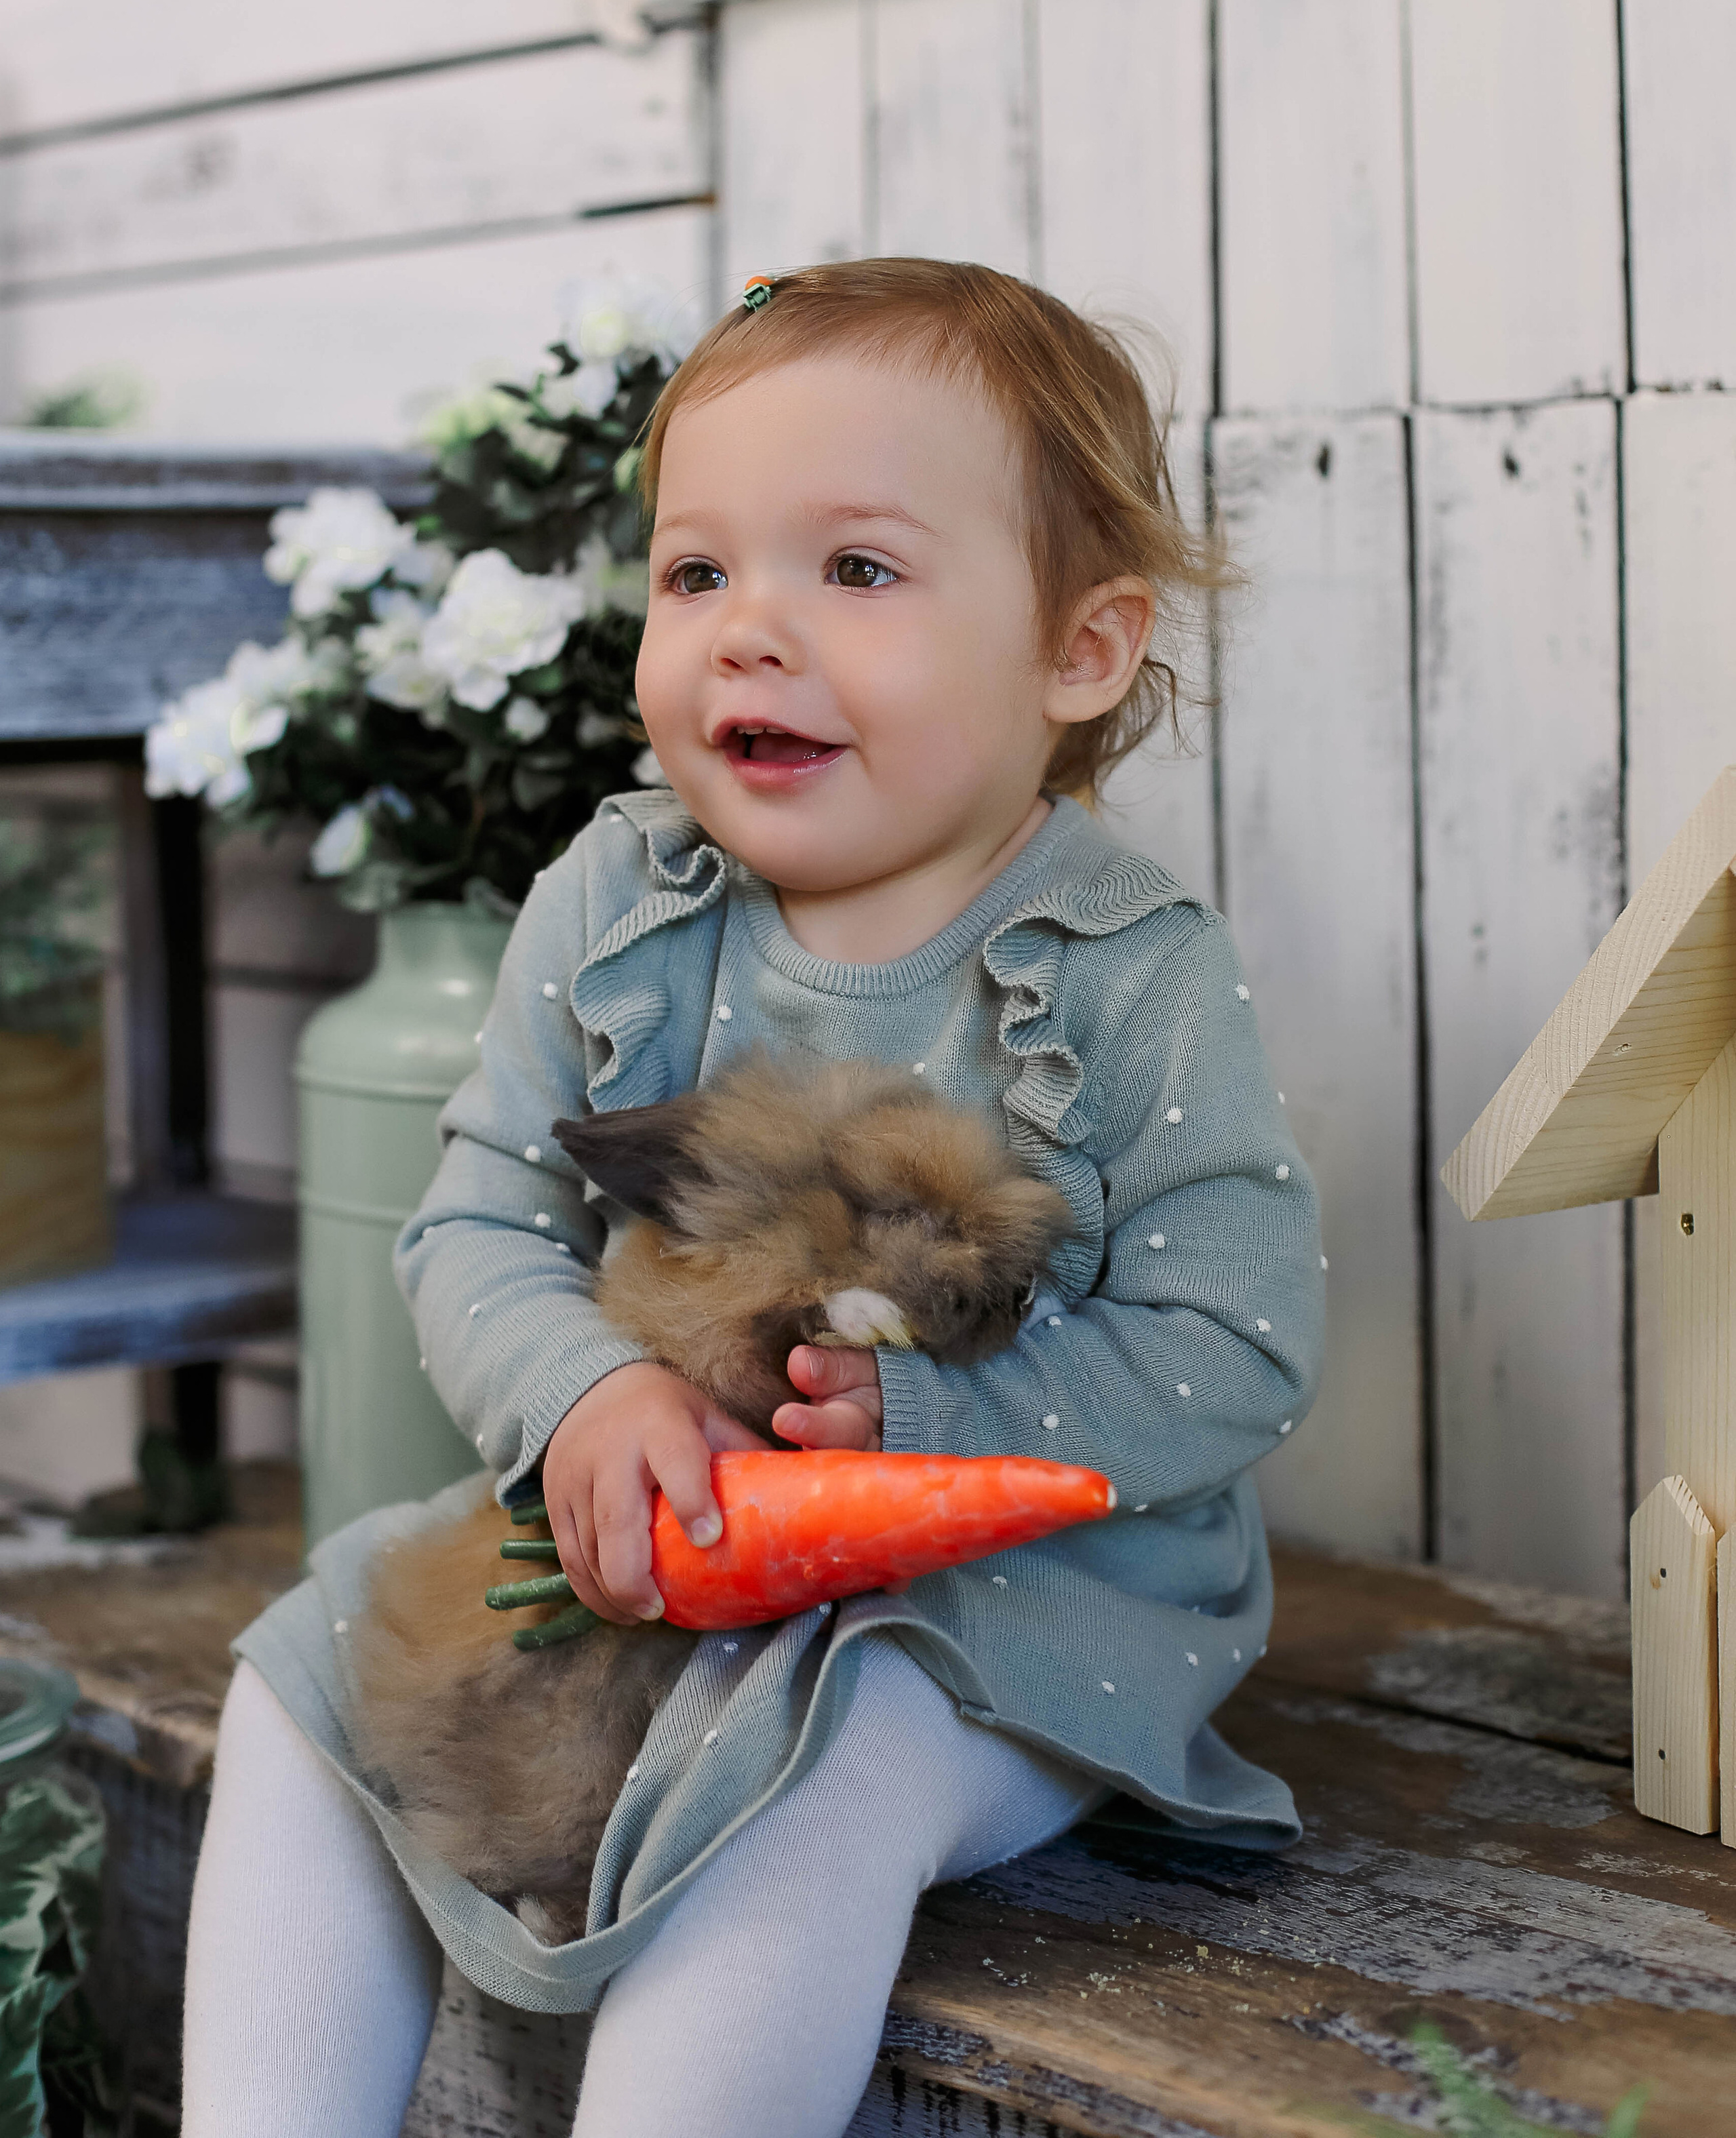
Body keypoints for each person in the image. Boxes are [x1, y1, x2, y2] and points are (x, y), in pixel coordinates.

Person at [182, 258, 1324, 2137]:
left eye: (854, 571)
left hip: (1013, 1607)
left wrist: (941, 1421)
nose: (747, 631)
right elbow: (472, 1227)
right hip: (669, 1564)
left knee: (825, 1753)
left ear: (1080, 651)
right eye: (697, 571)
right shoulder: (619, 908)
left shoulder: (1127, 971)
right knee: (311, 1671)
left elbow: (1240, 1340)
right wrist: (591, 1395)